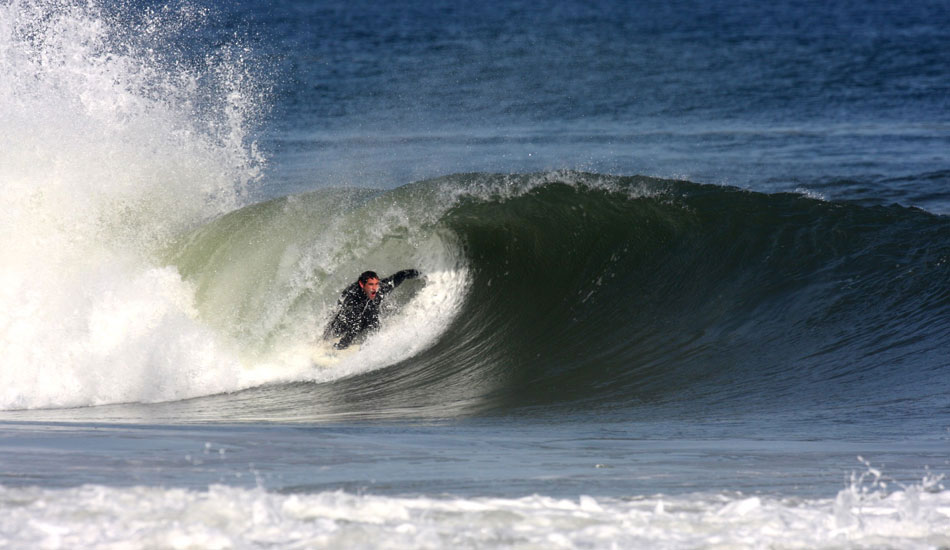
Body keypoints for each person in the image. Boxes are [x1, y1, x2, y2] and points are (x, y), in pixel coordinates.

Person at [323, 269, 421, 349]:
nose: (374, 288)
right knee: (341, 324)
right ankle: (325, 339)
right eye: (371, 285)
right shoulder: (353, 297)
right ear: (362, 285)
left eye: (376, 284)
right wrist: (344, 343)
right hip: (348, 314)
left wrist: (420, 273)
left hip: (367, 312)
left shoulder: (382, 287)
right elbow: (355, 323)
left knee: (373, 320)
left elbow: (401, 275)